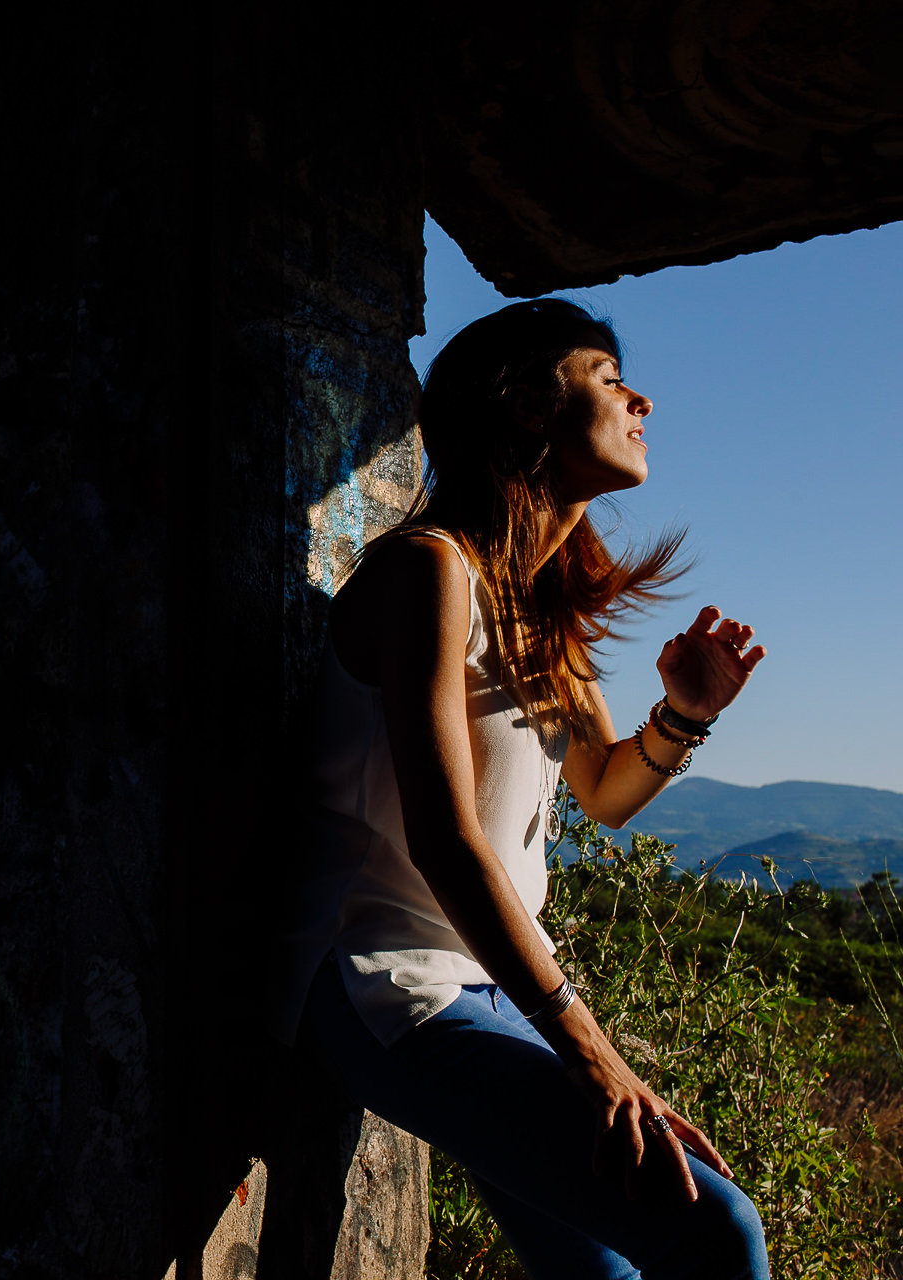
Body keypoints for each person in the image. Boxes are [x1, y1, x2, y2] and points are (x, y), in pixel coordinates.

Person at [270, 299, 770, 1277]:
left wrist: (682, 715)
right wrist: (593, 1052)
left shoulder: (534, 612)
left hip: (490, 990)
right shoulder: (429, 570)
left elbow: (607, 791)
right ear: (528, 405)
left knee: (605, 1272)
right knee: (715, 1228)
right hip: (383, 978)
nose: (644, 399)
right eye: (607, 377)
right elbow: (445, 839)